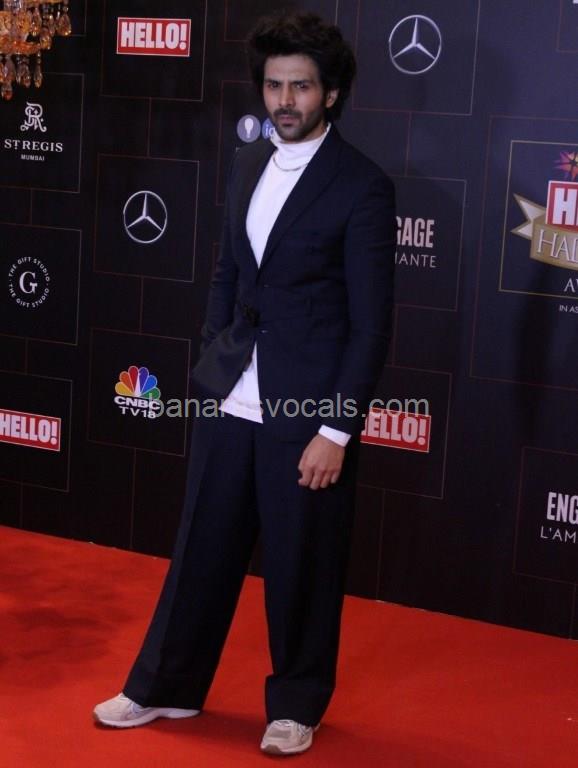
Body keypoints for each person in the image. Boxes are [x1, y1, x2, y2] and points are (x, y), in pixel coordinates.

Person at [94, 11, 396, 756]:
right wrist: (213, 360)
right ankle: (165, 686)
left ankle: (296, 705)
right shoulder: (248, 162)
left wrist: (336, 430)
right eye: (273, 85)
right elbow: (229, 273)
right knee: (201, 550)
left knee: (302, 565)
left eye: (301, 87)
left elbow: (370, 326)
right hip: (231, 394)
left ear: (331, 93)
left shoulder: (362, 186)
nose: (284, 100)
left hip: (307, 409)